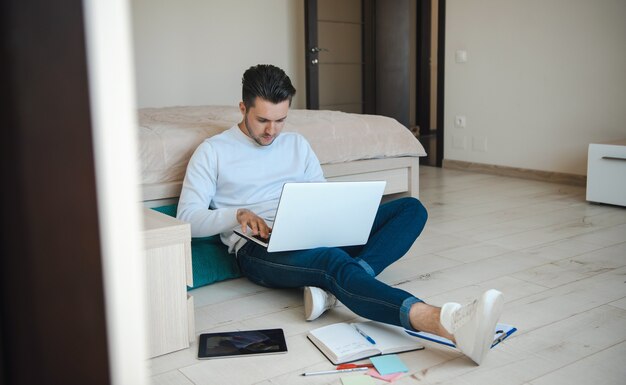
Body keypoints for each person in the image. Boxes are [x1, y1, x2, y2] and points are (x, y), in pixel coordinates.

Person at [177, 64, 504, 365]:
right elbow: (187, 219)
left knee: (410, 208)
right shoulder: (214, 151)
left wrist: (336, 216)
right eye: (262, 120)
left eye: (280, 119)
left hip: (311, 228)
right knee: (333, 262)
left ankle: (335, 289)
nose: (272, 131)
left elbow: (320, 195)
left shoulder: (297, 144)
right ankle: (447, 323)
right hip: (257, 248)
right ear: (243, 108)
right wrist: (237, 215)